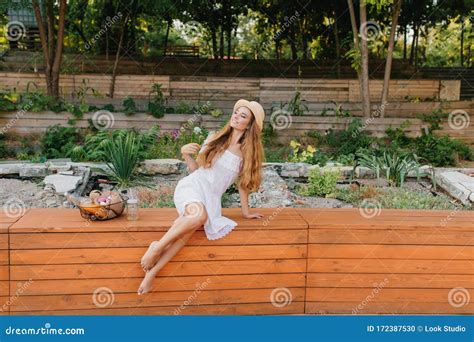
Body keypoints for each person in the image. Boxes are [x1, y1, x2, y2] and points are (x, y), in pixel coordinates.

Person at [137, 99, 266, 295]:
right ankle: (156, 246)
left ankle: (150, 275)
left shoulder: (247, 152)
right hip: (193, 186)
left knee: (185, 235)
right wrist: (185, 154)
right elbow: (196, 169)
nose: (236, 116)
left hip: (211, 199)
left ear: (250, 125)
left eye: (243, 116)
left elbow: (243, 185)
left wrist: (246, 213)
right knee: (198, 216)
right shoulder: (215, 138)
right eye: (236, 112)